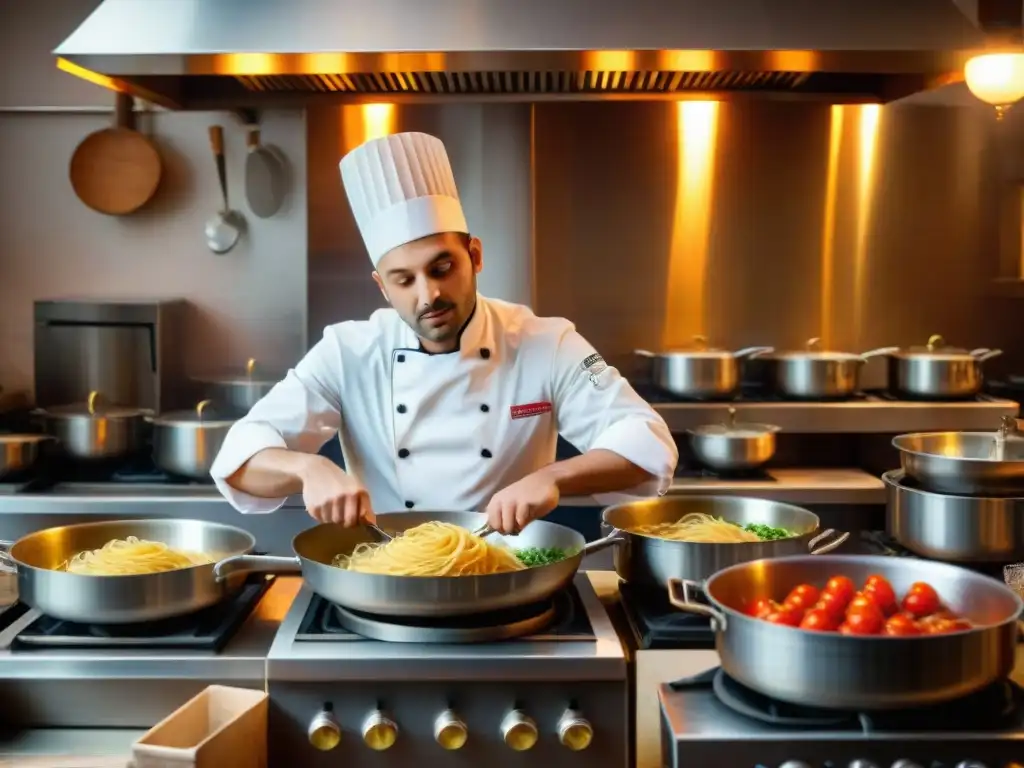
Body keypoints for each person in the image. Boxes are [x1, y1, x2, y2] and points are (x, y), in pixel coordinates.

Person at [210, 131, 678, 534]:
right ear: (382, 286)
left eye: (442, 267)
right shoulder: (347, 352)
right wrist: (306, 467)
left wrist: (552, 477)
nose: (428, 294)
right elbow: (240, 456)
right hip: (387, 576)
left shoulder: (545, 342)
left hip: (508, 571)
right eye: (404, 279)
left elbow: (646, 441)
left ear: (474, 255)